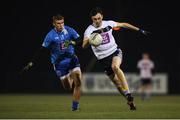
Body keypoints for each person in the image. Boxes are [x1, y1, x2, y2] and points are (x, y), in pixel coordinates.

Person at [82, 7, 150, 110]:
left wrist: (139, 29)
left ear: (102, 17)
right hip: (103, 59)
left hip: (115, 52)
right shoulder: (89, 30)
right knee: (117, 84)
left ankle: (128, 92)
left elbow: (123, 24)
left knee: (115, 67)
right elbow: (83, 46)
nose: (97, 21)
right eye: (95, 19)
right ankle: (130, 102)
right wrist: (90, 40)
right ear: (92, 19)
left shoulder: (108, 23)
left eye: (99, 18)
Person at [22, 14, 82, 111]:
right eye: (58, 23)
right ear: (54, 24)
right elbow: (41, 50)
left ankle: (74, 107)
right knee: (68, 87)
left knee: (78, 81)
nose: (61, 25)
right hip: (59, 64)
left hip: (72, 59)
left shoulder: (70, 30)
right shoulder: (50, 36)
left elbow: (80, 41)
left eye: (62, 22)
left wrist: (71, 42)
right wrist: (31, 63)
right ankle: (70, 75)